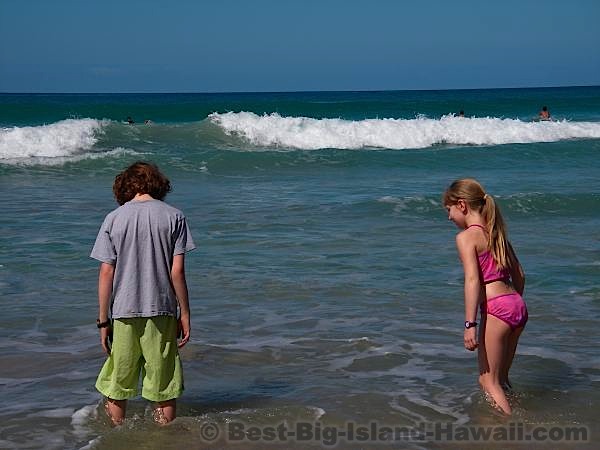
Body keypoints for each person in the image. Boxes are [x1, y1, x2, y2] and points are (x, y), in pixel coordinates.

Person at [91, 161, 195, 426]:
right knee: (164, 385)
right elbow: (177, 272)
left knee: (118, 383)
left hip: (124, 312)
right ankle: (163, 439)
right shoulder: (174, 216)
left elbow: (106, 272)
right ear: (158, 185)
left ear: (125, 187)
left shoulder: (113, 219)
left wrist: (103, 321)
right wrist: (185, 312)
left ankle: (117, 438)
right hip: (161, 310)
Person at [443, 178, 527, 415]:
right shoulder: (496, 233)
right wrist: (511, 303)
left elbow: (472, 280)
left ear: (462, 205)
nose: (449, 217)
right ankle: (515, 411)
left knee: (487, 382)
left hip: (496, 309)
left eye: (449, 210)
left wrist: (470, 324)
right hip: (517, 307)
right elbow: (519, 275)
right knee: (501, 378)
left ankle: (508, 430)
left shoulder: (466, 237)